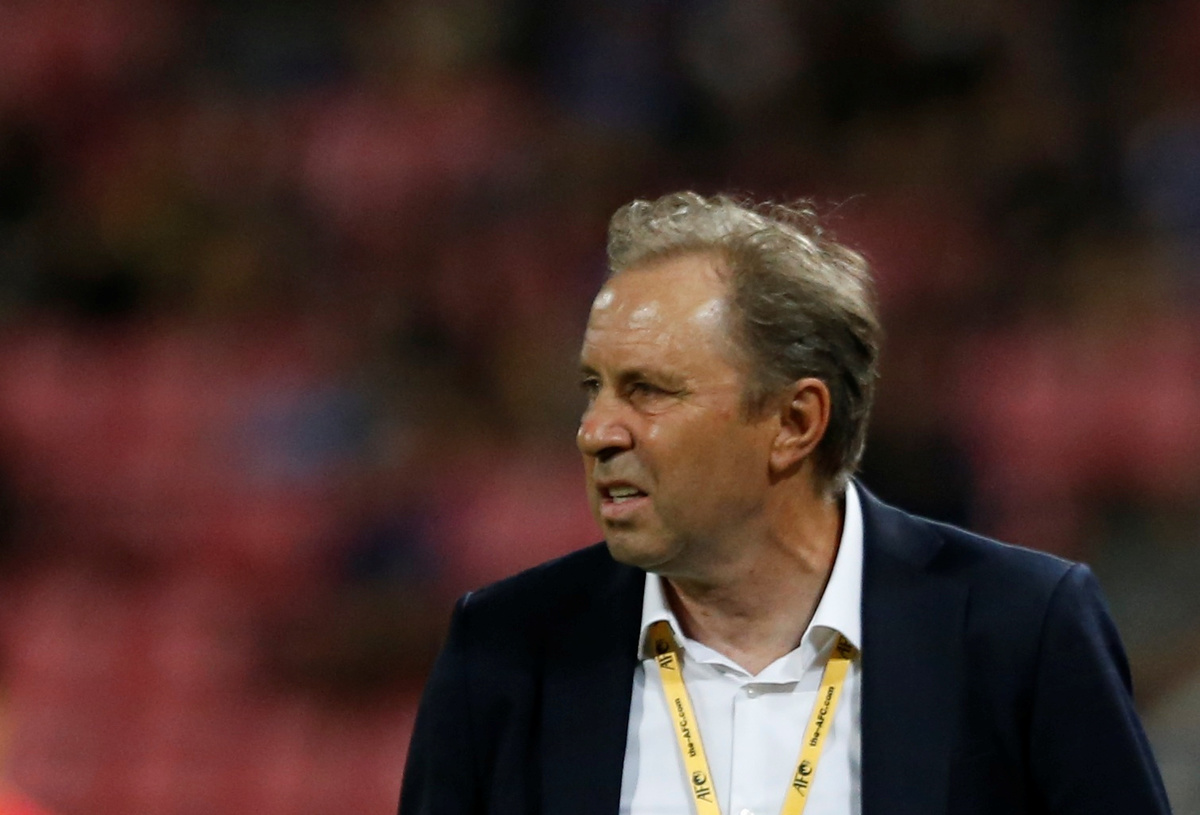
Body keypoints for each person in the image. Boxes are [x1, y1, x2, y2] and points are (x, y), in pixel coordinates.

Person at [398, 192, 1171, 815]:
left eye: (647, 390)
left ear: (795, 422)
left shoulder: (1020, 628)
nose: (596, 430)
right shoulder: (504, 649)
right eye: (592, 387)